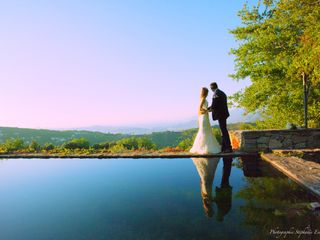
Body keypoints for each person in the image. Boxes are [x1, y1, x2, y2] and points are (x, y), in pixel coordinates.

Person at [190, 87, 220, 154]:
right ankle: (204, 147)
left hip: (205, 116)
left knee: (206, 131)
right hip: (203, 117)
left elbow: (203, 108)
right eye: (207, 92)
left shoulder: (203, 99)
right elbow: (200, 108)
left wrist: (208, 110)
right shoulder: (203, 99)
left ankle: (205, 146)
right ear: (205, 93)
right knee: (204, 131)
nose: (208, 94)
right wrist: (207, 111)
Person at [208, 82, 232, 153]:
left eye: (211, 88)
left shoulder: (216, 94)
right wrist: (209, 108)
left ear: (212, 88)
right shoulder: (222, 92)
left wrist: (208, 109)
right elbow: (218, 104)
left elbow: (214, 105)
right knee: (223, 130)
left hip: (221, 115)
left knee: (224, 131)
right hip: (224, 114)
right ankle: (224, 147)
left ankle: (228, 147)